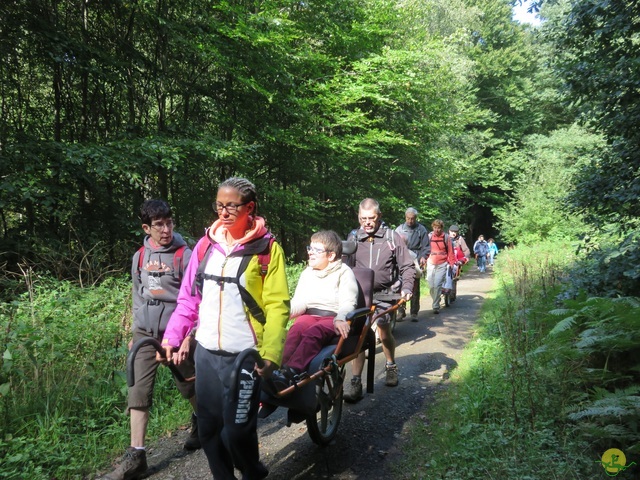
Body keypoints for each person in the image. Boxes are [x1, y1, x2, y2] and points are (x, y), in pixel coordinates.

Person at [160, 177, 290, 480]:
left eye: (231, 206)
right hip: (206, 352)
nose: (223, 212)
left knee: (236, 431)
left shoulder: (267, 250)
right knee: (208, 429)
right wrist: (173, 335)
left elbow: (277, 306)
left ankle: (253, 473)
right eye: (219, 204)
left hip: (244, 355)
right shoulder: (206, 246)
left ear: (250, 207)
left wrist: (270, 352)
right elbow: (189, 298)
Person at [101, 199, 199, 480]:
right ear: (147, 227)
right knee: (138, 389)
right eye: (159, 225)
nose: (166, 229)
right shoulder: (140, 256)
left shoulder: (185, 254)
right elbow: (138, 295)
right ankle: (137, 455)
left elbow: (195, 298)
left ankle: (202, 424)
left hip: (178, 333)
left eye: (169, 223)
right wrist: (136, 332)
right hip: (145, 334)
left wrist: (189, 336)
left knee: (188, 385)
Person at [343, 198, 414, 402]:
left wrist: (407, 287)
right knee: (359, 333)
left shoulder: (392, 237)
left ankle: (391, 365)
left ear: (379, 216)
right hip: (359, 293)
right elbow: (344, 267)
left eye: (371, 218)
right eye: (363, 218)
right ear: (358, 217)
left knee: (383, 328)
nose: (367, 222)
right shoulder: (354, 237)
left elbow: (407, 266)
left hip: (386, 293)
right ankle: (356, 381)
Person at [272, 230, 358, 388]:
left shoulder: (344, 272)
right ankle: (278, 370)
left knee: (314, 332)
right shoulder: (307, 273)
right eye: (310, 248)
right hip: (309, 314)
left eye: (316, 250)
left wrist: (341, 318)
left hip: (331, 317)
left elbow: (348, 301)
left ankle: (293, 370)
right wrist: (283, 313)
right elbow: (300, 301)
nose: (310, 253)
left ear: (331, 256)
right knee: (296, 329)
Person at [395, 208, 429, 321]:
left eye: (412, 219)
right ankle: (401, 311)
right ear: (405, 217)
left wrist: (423, 257)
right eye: (408, 218)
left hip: (416, 258)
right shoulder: (399, 229)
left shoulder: (421, 229)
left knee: (414, 286)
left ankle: (414, 312)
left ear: (416, 218)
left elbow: (426, 246)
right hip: (401, 258)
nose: (410, 221)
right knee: (400, 284)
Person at [425, 219, 455, 314]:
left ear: (441, 228)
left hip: (442, 263)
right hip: (430, 262)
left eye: (438, 228)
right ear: (432, 227)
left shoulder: (446, 237)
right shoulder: (429, 236)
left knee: (437, 284)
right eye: (435, 227)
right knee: (431, 285)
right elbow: (425, 249)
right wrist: (423, 260)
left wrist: (451, 263)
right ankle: (436, 300)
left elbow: (450, 251)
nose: (436, 230)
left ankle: (435, 306)